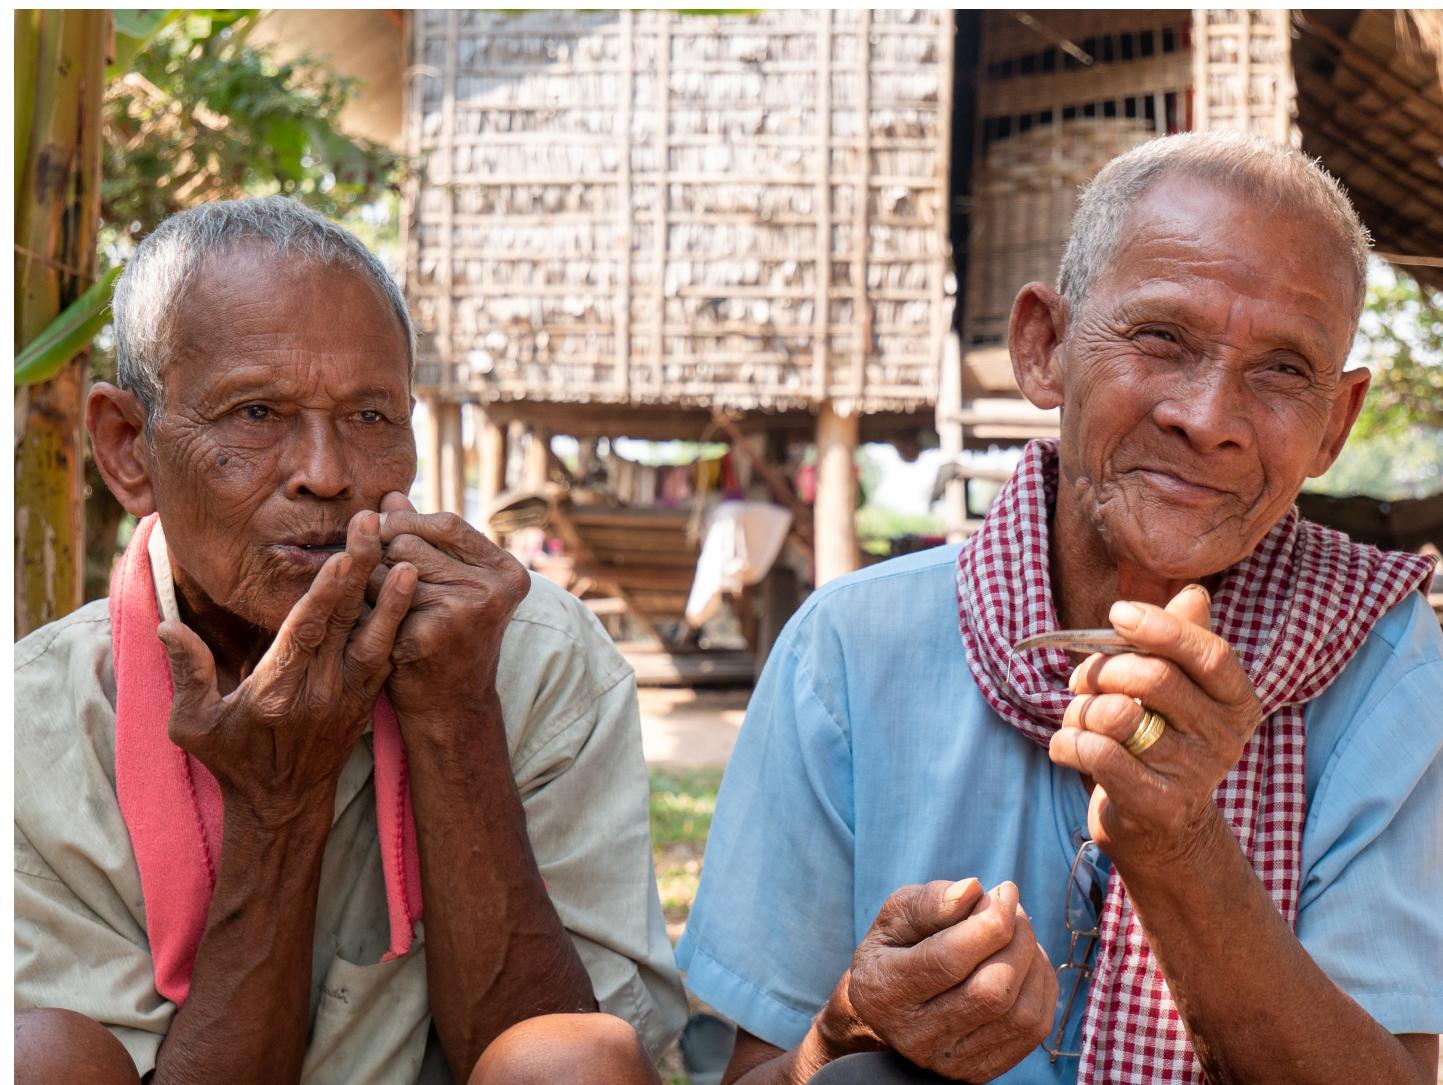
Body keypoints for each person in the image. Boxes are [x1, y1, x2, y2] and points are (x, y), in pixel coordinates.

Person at [677, 130, 1443, 1085]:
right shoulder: (850, 650)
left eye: (1283, 369)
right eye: (1162, 336)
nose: (1206, 417)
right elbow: (764, 1074)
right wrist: (848, 1032)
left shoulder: (1382, 668)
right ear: (1043, 348)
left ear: (1334, 424)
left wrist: (1178, 843)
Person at [14, 197, 686, 1084]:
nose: (326, 475)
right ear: (128, 446)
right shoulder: (33, 722)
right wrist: (277, 809)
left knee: (573, 1057)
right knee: (38, 1059)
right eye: (256, 413)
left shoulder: (530, 650)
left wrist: (455, 715)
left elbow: (572, 1049)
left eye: (371, 417)